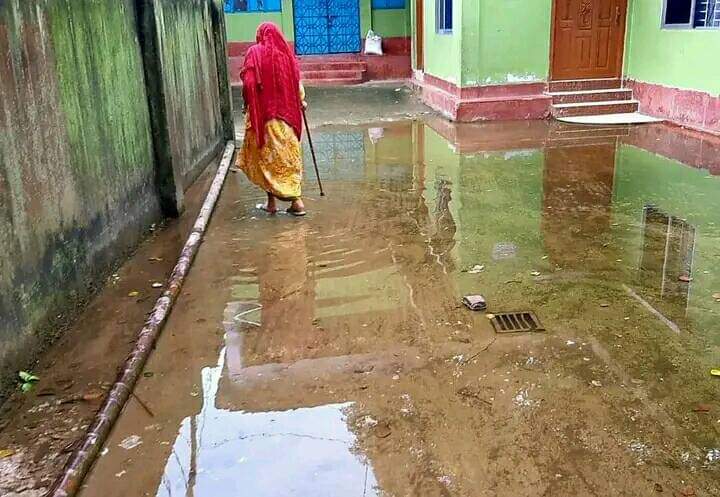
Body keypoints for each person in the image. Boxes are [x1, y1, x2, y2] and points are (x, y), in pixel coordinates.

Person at [238, 22, 307, 216]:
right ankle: (278, 202)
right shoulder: (287, 56)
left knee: (265, 159)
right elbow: (297, 84)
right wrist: (301, 101)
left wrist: (247, 103)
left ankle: (292, 201)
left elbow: (249, 83)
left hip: (264, 117)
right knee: (287, 158)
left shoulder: (254, 52)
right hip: (288, 119)